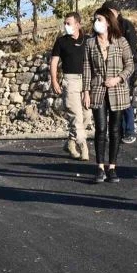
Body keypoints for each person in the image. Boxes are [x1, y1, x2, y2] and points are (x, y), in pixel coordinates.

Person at [82, 8, 134, 184]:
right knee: (101, 129)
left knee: (115, 129)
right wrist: (85, 92)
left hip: (117, 91)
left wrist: (118, 78)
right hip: (97, 90)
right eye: (95, 19)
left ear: (109, 22)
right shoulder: (90, 43)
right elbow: (87, 69)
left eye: (100, 19)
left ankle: (112, 167)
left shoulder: (121, 41)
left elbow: (130, 65)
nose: (96, 22)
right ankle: (100, 167)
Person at [50, 12, 91, 161]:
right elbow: (54, 62)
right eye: (65, 23)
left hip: (86, 80)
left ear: (78, 25)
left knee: (87, 115)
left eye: (69, 23)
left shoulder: (88, 40)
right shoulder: (61, 41)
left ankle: (71, 142)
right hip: (70, 81)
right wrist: (54, 80)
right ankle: (84, 147)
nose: (66, 26)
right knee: (76, 116)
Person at [101, 0, 137, 144]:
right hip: (107, 71)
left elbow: (132, 49)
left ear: (117, 12)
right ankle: (116, 131)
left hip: (122, 70)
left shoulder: (126, 25)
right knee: (110, 102)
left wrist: (123, 69)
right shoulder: (104, 27)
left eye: (109, 12)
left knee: (124, 100)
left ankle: (129, 131)